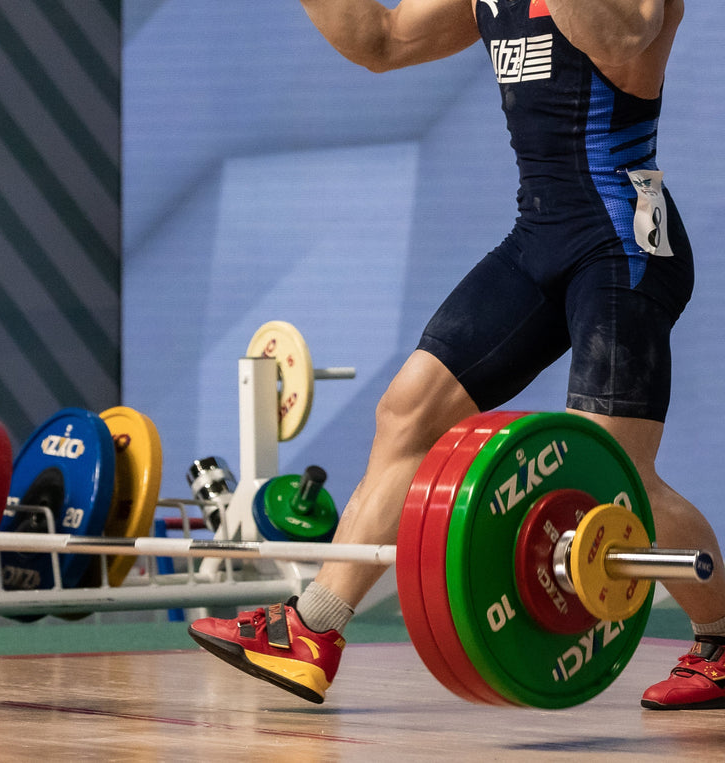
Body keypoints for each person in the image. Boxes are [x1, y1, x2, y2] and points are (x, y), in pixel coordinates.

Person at [188, 0, 725, 711]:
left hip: (622, 242)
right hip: (540, 239)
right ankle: (312, 629)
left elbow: (624, 35)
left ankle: (720, 634)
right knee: (406, 413)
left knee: (609, 475)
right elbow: (380, 40)